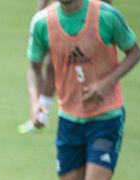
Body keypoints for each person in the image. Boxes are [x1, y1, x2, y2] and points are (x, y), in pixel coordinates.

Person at [27, 0, 140, 180]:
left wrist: (107, 82)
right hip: (69, 120)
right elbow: (34, 66)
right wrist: (37, 103)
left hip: (106, 117)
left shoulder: (105, 16)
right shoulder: (43, 23)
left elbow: (134, 53)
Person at [17, 0, 112, 134]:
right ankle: (41, 112)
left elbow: (107, 6)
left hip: (87, 19)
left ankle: (96, 109)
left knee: (82, 63)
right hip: (61, 16)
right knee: (52, 63)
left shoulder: (104, 14)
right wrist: (40, 20)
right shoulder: (43, 20)